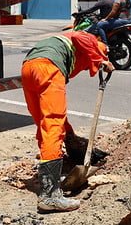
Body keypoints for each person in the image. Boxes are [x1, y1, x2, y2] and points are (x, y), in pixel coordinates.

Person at [21, 30, 115, 213]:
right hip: (48, 68)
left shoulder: (65, 41)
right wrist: (100, 59)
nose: (89, 69)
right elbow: (84, 39)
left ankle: (66, 151)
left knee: (44, 122)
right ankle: (50, 196)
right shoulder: (90, 39)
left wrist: (70, 137)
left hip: (29, 68)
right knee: (53, 125)